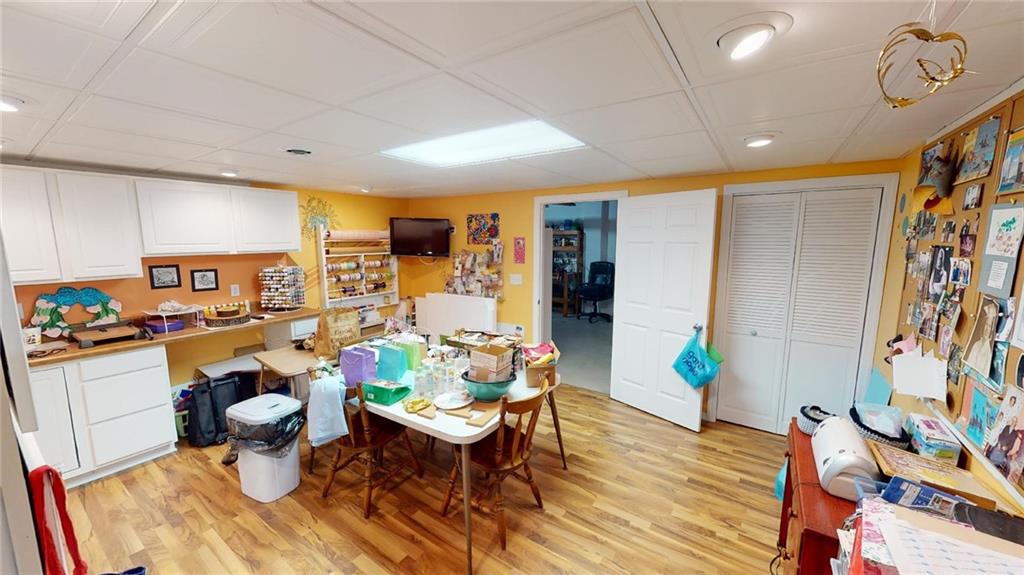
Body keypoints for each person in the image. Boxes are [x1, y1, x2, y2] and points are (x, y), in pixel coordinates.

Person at [966, 300, 997, 374]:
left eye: (989, 327)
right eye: (986, 325)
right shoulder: (977, 344)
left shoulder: (989, 351)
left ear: (992, 329)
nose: (986, 329)